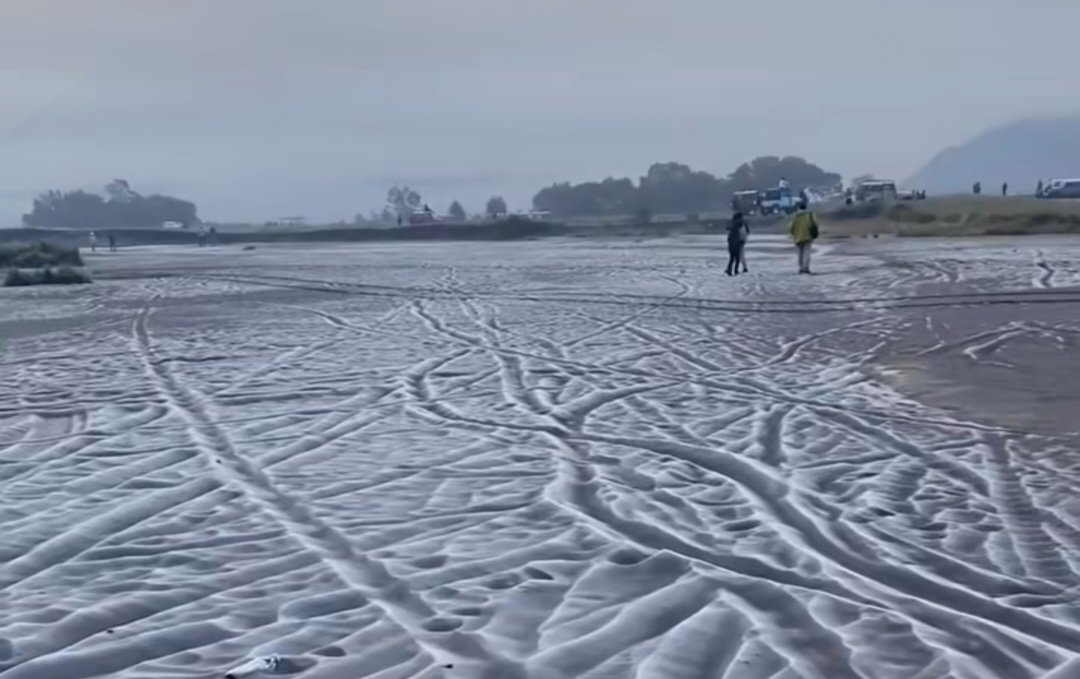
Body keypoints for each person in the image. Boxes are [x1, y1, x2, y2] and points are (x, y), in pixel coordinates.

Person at [789, 201, 819, 274]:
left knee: (800, 253)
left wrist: (794, 234)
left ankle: (801, 268)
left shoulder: (795, 216)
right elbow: (815, 224)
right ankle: (806, 268)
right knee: (807, 253)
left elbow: (791, 227)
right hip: (808, 236)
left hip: (798, 237)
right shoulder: (810, 214)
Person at [725, 211, 750, 276]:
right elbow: (745, 233)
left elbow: (729, 234)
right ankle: (736, 270)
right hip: (738, 243)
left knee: (732, 258)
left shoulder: (732, 225)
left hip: (732, 243)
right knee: (737, 257)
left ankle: (730, 269)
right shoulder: (740, 225)